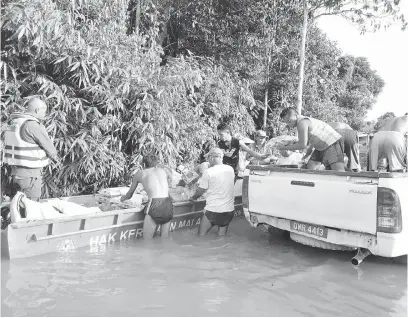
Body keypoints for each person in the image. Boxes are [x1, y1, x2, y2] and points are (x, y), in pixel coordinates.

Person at [3, 97, 59, 202]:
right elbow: (52, 151)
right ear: (37, 110)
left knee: (16, 204)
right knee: (30, 207)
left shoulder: (14, 123)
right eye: (44, 111)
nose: (45, 114)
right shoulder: (33, 125)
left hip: (15, 173)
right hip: (30, 175)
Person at [121, 154, 174, 239]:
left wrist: (122, 199)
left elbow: (129, 194)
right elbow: (169, 174)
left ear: (143, 164)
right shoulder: (163, 171)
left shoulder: (140, 173)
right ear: (156, 163)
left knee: (147, 240)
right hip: (168, 203)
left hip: (154, 204)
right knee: (165, 238)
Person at [278, 107, 345, 171]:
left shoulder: (302, 123)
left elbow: (302, 145)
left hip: (332, 142)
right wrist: (290, 143)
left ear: (296, 115)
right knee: (310, 166)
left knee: (339, 171)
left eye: (289, 121)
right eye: (286, 122)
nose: (289, 124)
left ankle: (353, 177)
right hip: (321, 146)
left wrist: (283, 148)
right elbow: (305, 142)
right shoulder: (301, 122)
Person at [189, 148, 235, 236]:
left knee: (201, 236)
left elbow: (201, 190)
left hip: (214, 210)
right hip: (229, 210)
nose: (208, 160)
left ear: (211, 158)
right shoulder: (230, 169)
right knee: (221, 236)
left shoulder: (207, 171)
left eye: (208, 158)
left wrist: (193, 198)